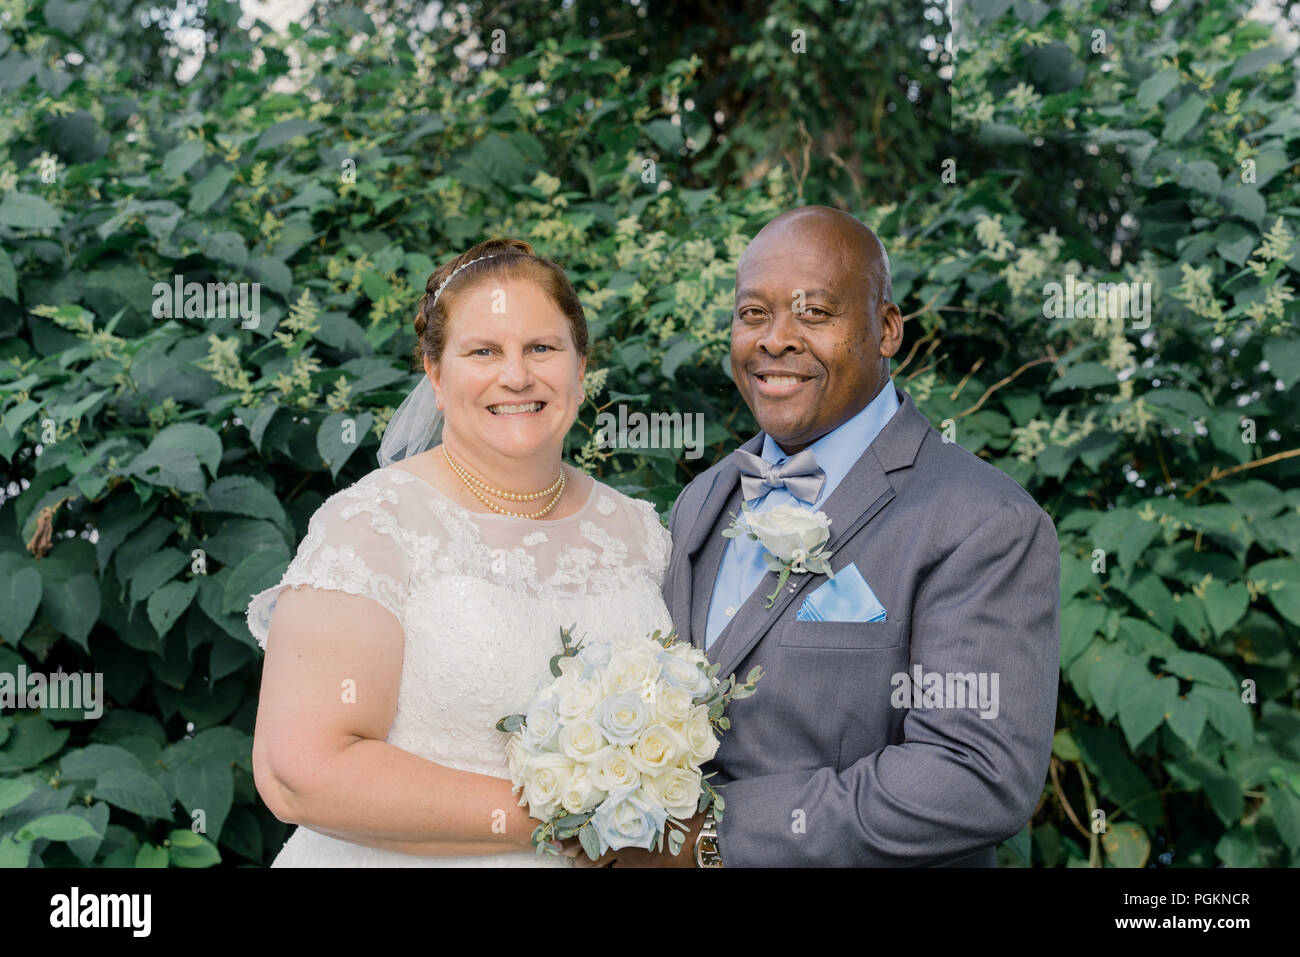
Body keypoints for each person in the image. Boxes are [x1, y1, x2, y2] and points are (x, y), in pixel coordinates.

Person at [586, 206, 1061, 867]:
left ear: (886, 328)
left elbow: (973, 775)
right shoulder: (704, 498)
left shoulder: (980, 520)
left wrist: (713, 838)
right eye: (753, 313)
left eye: (813, 314)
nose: (775, 339)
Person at [247, 238, 673, 866]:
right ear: (437, 375)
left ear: (580, 369)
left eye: (542, 348)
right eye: (483, 351)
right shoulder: (373, 527)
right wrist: (573, 819)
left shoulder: (636, 530)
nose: (517, 376)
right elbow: (302, 771)